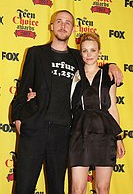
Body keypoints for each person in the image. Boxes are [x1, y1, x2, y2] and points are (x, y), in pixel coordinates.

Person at [11, 10, 123, 194]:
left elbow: (93, 63)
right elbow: (22, 91)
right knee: (23, 187)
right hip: (34, 129)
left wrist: (112, 64)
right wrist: (19, 121)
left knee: (57, 189)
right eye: (59, 22)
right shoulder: (35, 53)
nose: (63, 26)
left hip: (63, 132)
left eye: (68, 23)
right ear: (52, 26)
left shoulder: (78, 57)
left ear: (72, 30)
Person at [69, 33, 125, 194]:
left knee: (103, 188)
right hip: (80, 133)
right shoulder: (75, 77)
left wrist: (118, 137)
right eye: (84, 51)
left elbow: (113, 108)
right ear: (80, 53)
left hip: (105, 134)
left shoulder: (109, 76)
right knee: (77, 188)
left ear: (99, 51)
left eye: (92, 50)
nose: (88, 55)